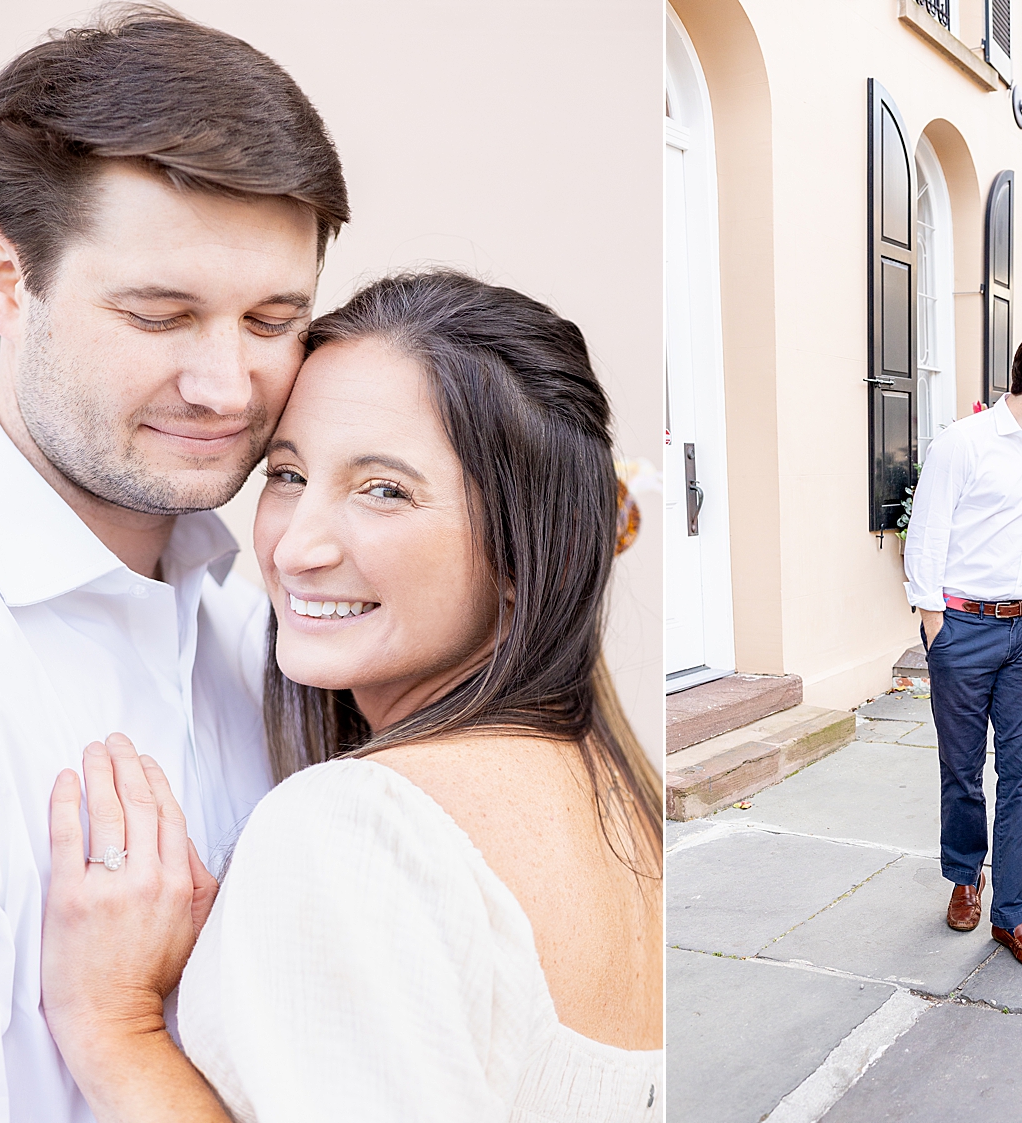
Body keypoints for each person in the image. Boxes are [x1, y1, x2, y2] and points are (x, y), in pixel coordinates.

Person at [38, 271, 665, 1121]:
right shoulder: (614, 785)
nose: (295, 547)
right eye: (288, 474)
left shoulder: (357, 830)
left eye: (383, 489)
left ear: (526, 558)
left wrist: (114, 1027)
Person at [0, 11, 349, 1121]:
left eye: (272, 319)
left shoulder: (275, 629)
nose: (226, 386)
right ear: (7, 279)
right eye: (161, 315)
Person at [903, 328, 1022, 972]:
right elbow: (925, 536)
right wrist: (936, 630)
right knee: (961, 771)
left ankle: (1012, 915)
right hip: (962, 630)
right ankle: (965, 874)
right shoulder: (964, 443)